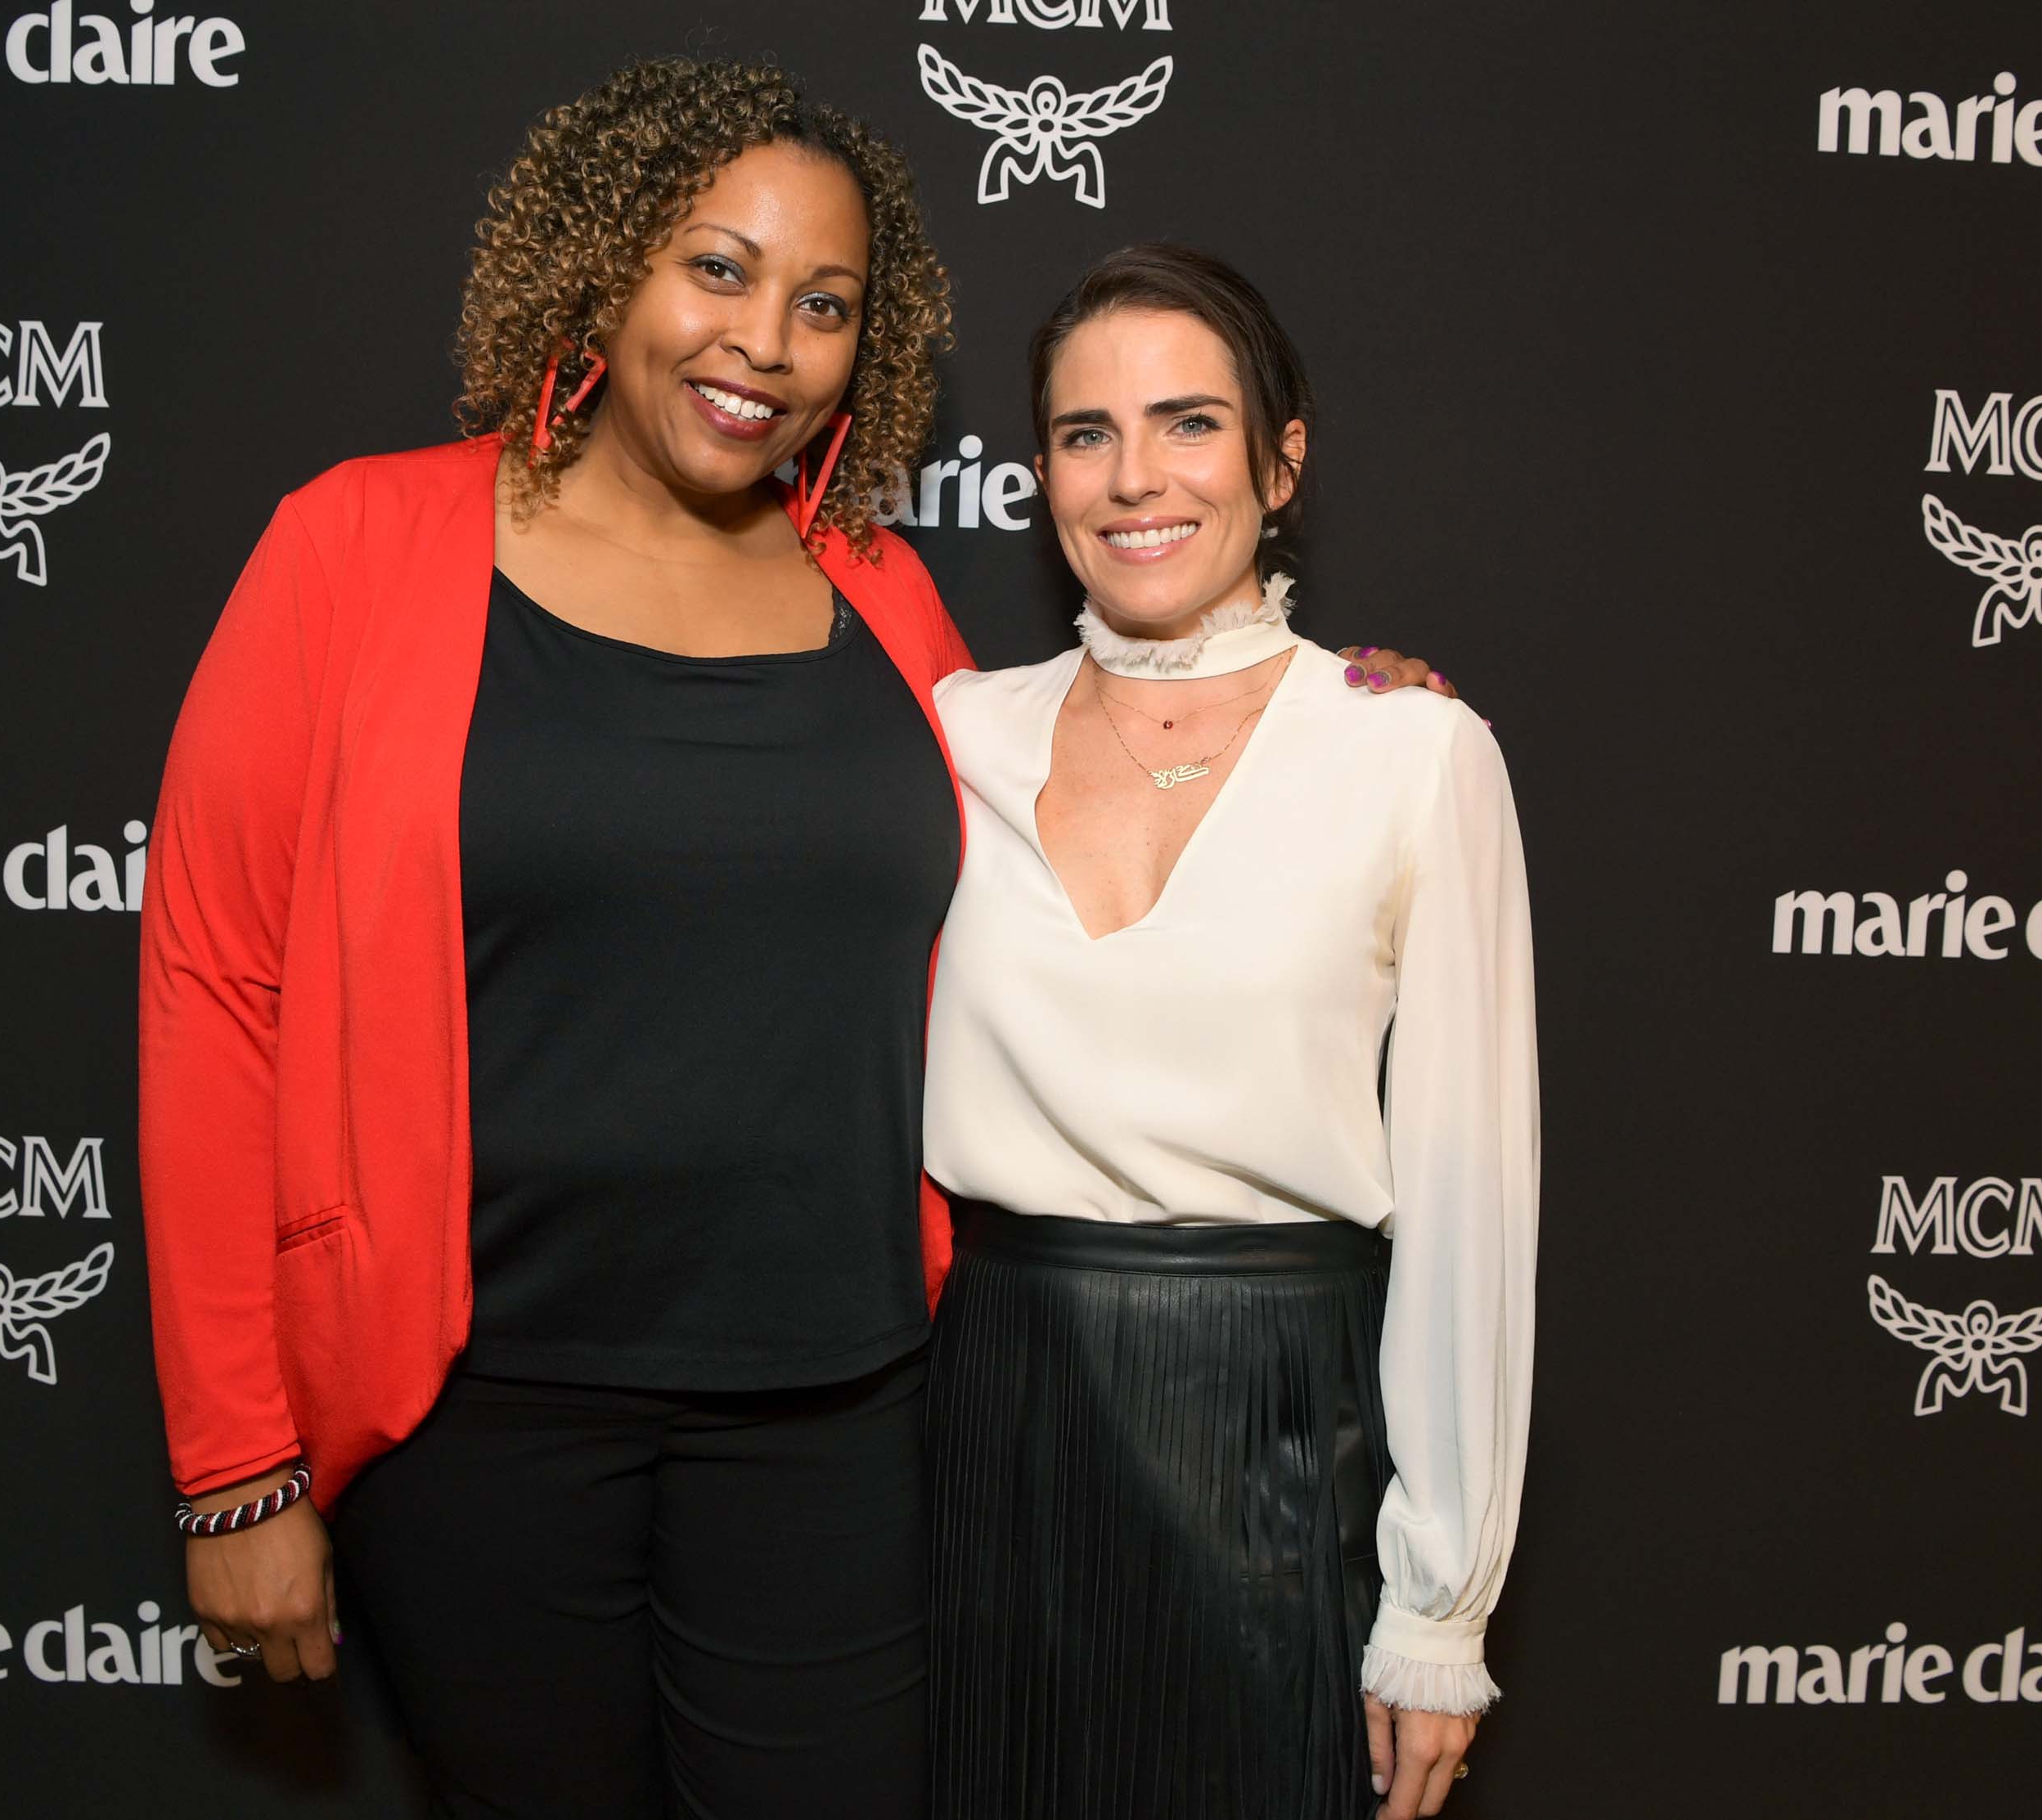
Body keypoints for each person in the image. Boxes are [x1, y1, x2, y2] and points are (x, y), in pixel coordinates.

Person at [139, 56, 1455, 1816]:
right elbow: (219, 994)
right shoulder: (355, 548)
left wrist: (1331, 710)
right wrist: (237, 1473)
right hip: (480, 1418)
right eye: (718, 269)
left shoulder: (878, 591)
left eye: (824, 304)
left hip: (845, 1414)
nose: (764, 340)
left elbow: (1090, 767)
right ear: (604, 264)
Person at [922, 244, 1538, 1820]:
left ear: (1283, 458)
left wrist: (1440, 1606)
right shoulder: (951, 731)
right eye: (1084, 433)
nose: (1137, 477)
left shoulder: (1411, 748)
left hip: (1279, 1432)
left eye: (1190, 423)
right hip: (981, 1420)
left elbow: (1472, 1190)